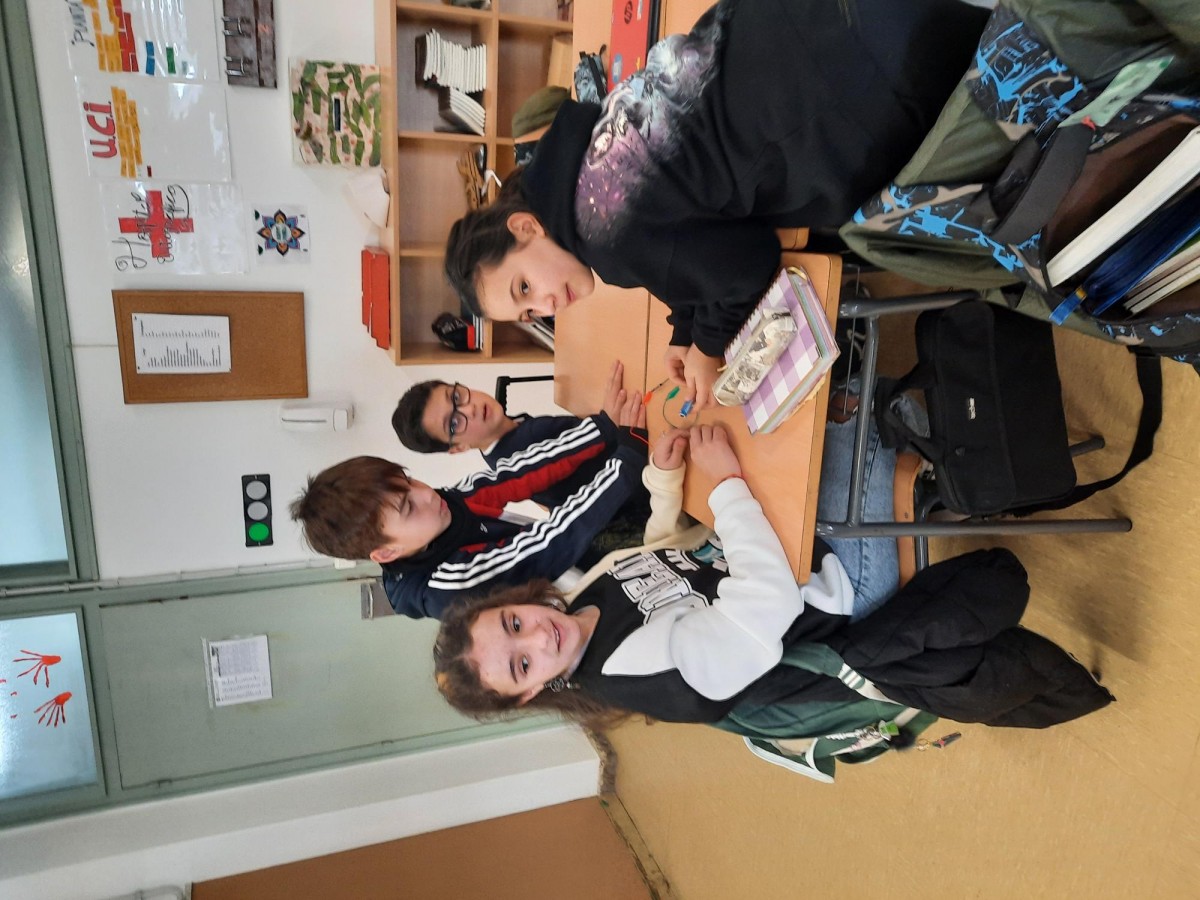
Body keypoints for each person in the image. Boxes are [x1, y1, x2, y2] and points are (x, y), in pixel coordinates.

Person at [433, 424, 1113, 780]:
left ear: (511, 603)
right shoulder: (638, 674)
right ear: (531, 694)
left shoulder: (579, 604)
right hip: (839, 585)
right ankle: (1014, 462)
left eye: (513, 623)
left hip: (781, 541)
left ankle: (971, 469)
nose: (537, 637)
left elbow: (663, 557)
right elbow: (766, 605)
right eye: (521, 664)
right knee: (851, 418)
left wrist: (665, 482)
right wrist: (727, 489)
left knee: (781, 417)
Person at [444, 0, 990, 408]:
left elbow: (749, 263)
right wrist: (684, 330)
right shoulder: (582, 156)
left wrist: (708, 349)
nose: (545, 306)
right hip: (821, 20)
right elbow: (679, 214)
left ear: (524, 227)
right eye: (529, 314)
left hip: (869, 94)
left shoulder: (605, 235)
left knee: (858, 236)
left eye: (523, 288)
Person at [289, 391, 649, 619]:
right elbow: (549, 543)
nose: (427, 495)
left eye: (410, 482)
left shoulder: (442, 506)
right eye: (408, 508)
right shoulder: (446, 587)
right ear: (387, 552)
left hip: (581, 559)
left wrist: (604, 427)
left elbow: (518, 473)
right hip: (604, 604)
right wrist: (628, 456)